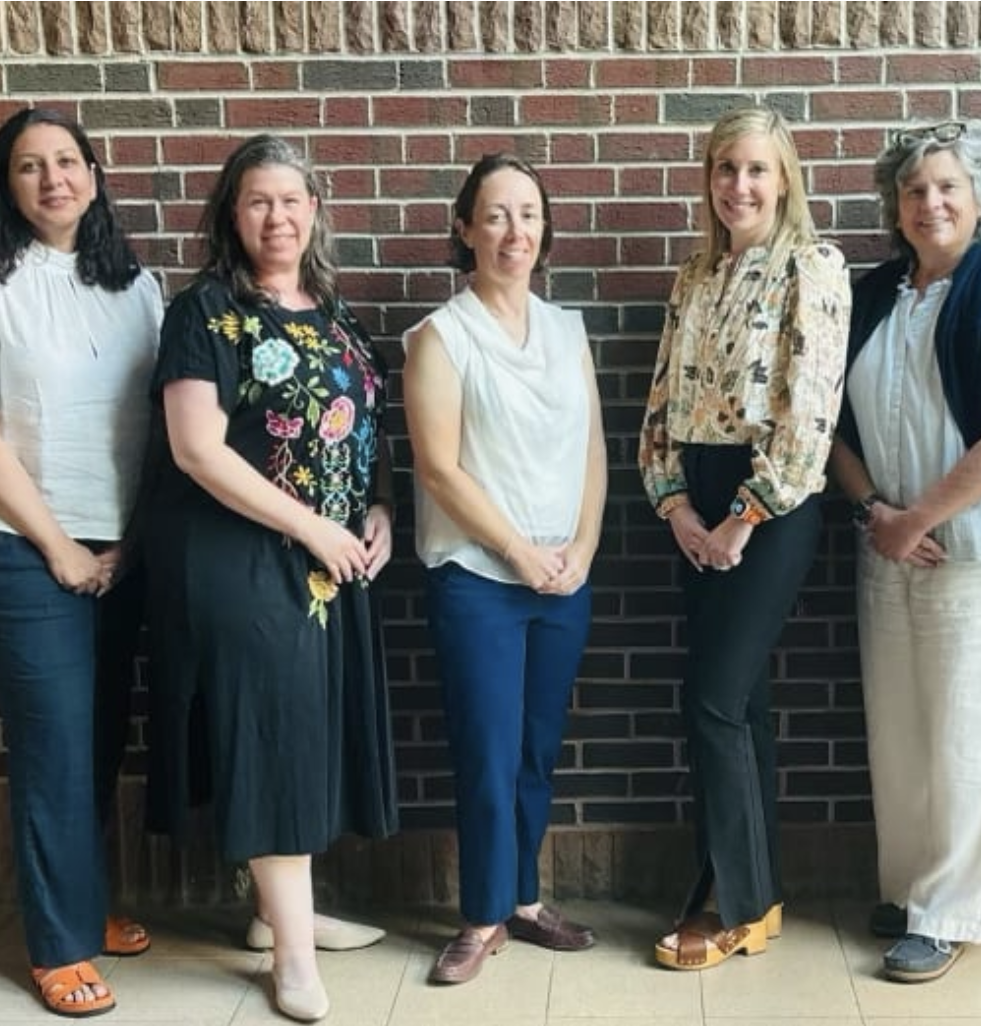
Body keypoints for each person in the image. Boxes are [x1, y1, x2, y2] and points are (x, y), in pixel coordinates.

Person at [142, 134, 398, 1023]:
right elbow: (196, 450)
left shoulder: (333, 313)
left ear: (314, 210)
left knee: (302, 737)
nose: (276, 216)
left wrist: (377, 512)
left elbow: (363, 432)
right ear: (231, 214)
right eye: (257, 200)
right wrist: (314, 526)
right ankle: (291, 958)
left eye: (291, 199)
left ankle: (274, 915)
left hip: (327, 560)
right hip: (239, 558)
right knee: (273, 738)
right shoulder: (204, 312)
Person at [0, 106, 159, 1018]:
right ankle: (57, 943)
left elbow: (154, 427)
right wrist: (58, 547)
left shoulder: (135, 285)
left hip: (119, 546)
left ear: (94, 177)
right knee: (55, 744)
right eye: (30, 167)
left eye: (69, 162)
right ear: (5, 183)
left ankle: (87, 904)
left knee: (101, 737)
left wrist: (123, 542)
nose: (53, 179)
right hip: (21, 547)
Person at [826, 119, 981, 984]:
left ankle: (954, 908)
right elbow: (829, 423)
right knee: (900, 726)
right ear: (895, 203)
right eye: (916, 189)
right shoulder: (874, 293)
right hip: (884, 539)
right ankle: (911, 889)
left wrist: (917, 518)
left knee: (966, 728)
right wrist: (874, 512)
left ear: (980, 199)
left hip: (973, 550)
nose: (931, 203)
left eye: (948, 187)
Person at [639, 107, 852, 972]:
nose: (740, 186)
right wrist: (679, 506)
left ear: (785, 178)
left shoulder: (814, 267)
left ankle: (728, 896)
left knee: (714, 700)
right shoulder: (694, 275)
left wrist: (741, 518)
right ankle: (756, 895)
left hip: (773, 503)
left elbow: (811, 407)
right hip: (699, 500)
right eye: (726, 168)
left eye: (757, 170)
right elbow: (660, 405)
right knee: (743, 702)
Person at [402, 153, 607, 985]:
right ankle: (480, 915)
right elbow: (440, 468)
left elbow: (593, 446)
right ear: (465, 230)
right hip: (480, 581)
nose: (513, 231)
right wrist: (520, 552)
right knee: (487, 752)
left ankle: (523, 898)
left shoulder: (567, 330)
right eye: (494, 215)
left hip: (564, 579)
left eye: (527, 214)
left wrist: (583, 547)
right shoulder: (441, 337)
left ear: (544, 230)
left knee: (536, 748)